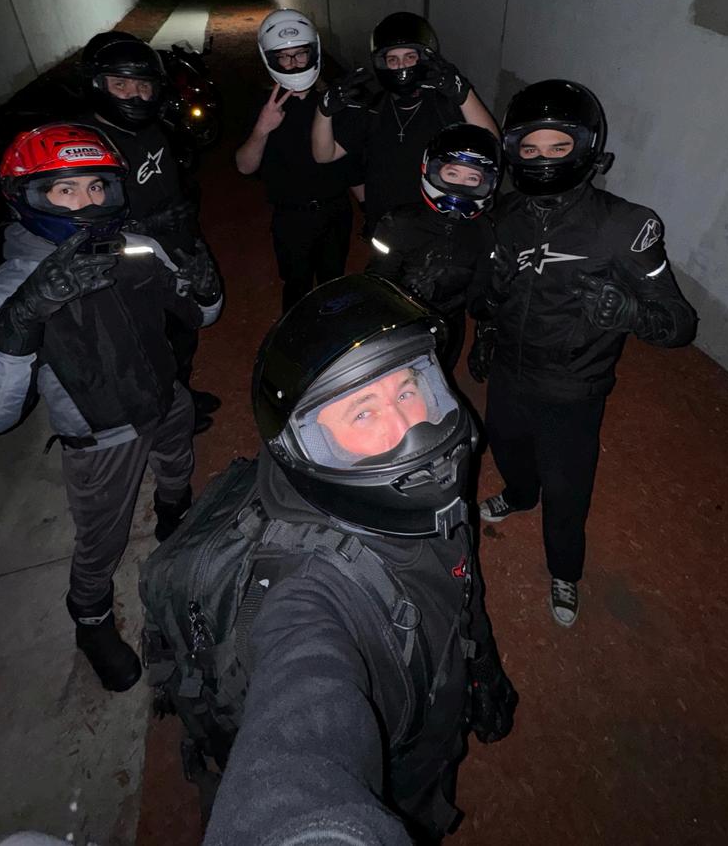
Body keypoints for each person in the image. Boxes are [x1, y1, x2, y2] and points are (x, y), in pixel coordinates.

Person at [202, 274, 517, 846]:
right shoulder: (307, 595)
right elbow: (299, 727)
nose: (410, 429)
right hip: (397, 780)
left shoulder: (428, 499)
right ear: (311, 448)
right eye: (363, 414)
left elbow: (457, 581)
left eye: (407, 390)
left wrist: (480, 668)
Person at [0, 123, 222, 692]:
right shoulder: (6, 291)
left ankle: (174, 514)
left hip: (165, 394)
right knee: (102, 539)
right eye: (66, 190)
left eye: (97, 187)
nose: (87, 203)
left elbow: (201, 314)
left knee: (178, 462)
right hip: (100, 438)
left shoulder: (134, 247)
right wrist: (24, 314)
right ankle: (90, 618)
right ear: (29, 198)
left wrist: (204, 287)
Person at [468, 80, 697, 628]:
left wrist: (632, 313)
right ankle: (519, 495)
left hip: (573, 386)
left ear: (587, 148)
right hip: (508, 371)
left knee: (568, 487)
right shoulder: (503, 215)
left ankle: (565, 570)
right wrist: (486, 320)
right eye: (529, 148)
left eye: (558, 146)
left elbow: (680, 325)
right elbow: (482, 300)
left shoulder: (623, 226)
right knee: (507, 447)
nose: (543, 160)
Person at [77, 30, 221, 429]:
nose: (135, 96)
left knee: (183, 331)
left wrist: (189, 234)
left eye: (143, 86)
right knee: (148, 344)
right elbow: (77, 227)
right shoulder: (86, 145)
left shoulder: (152, 129)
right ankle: (168, 416)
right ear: (96, 84)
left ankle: (181, 394)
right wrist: (142, 226)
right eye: (120, 84)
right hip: (131, 268)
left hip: (173, 251)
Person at [311, 12, 498, 235]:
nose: (401, 65)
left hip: (436, 227)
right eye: (393, 59)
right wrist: (324, 111)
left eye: (410, 56)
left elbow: (492, 144)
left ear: (424, 58)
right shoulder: (373, 108)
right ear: (382, 64)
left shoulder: (443, 105)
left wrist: (463, 94)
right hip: (386, 224)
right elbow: (324, 155)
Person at [235, 9, 361, 314]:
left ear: (313, 53)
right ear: (271, 59)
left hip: (334, 211)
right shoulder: (263, 105)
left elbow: (351, 166)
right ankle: (297, 336)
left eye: (301, 54)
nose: (293, 63)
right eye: (284, 57)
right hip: (291, 217)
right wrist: (262, 128)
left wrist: (370, 208)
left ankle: (332, 336)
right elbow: (244, 166)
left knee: (333, 283)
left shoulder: (332, 102)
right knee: (296, 287)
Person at [367, 123, 500, 372]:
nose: (461, 184)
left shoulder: (484, 232)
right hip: (400, 324)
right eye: (453, 174)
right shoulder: (399, 223)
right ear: (432, 169)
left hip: (450, 326)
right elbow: (378, 282)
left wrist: (487, 330)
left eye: (472, 178)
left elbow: (479, 297)